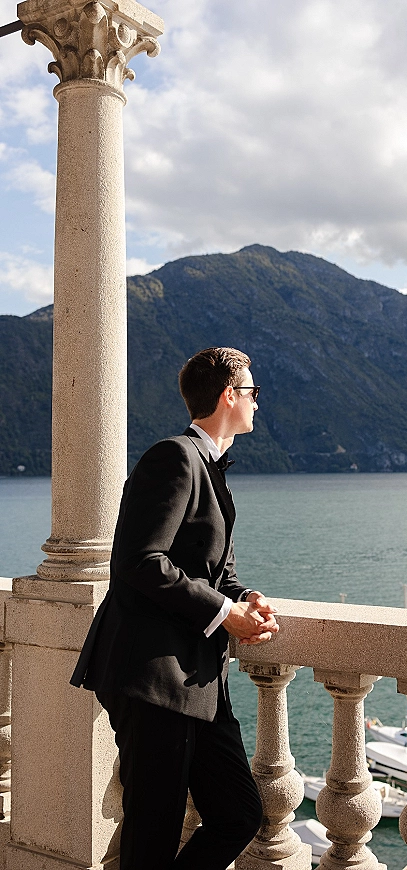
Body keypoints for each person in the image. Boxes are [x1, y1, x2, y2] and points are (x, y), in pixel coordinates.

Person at [70, 346, 279, 870]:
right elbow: (140, 562)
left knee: (238, 812)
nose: (258, 403)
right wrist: (224, 614)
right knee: (152, 832)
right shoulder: (173, 456)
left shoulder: (210, 467)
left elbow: (207, 568)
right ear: (230, 395)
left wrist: (243, 599)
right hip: (154, 677)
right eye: (253, 392)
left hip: (200, 682)